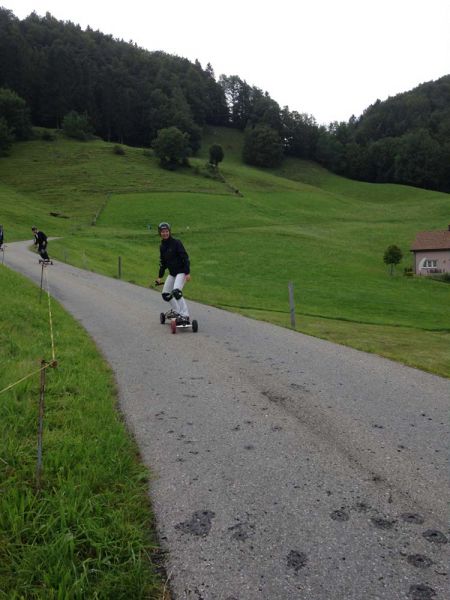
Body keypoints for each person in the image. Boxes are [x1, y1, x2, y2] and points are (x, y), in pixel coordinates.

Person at [155, 221, 191, 324]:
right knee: (166, 294)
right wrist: (160, 276)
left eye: (166, 231)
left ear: (169, 232)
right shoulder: (162, 247)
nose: (165, 233)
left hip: (181, 272)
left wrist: (187, 272)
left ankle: (185, 315)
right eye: (163, 232)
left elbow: (185, 257)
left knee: (176, 292)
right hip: (172, 273)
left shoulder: (176, 243)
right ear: (160, 233)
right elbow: (163, 263)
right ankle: (176, 311)